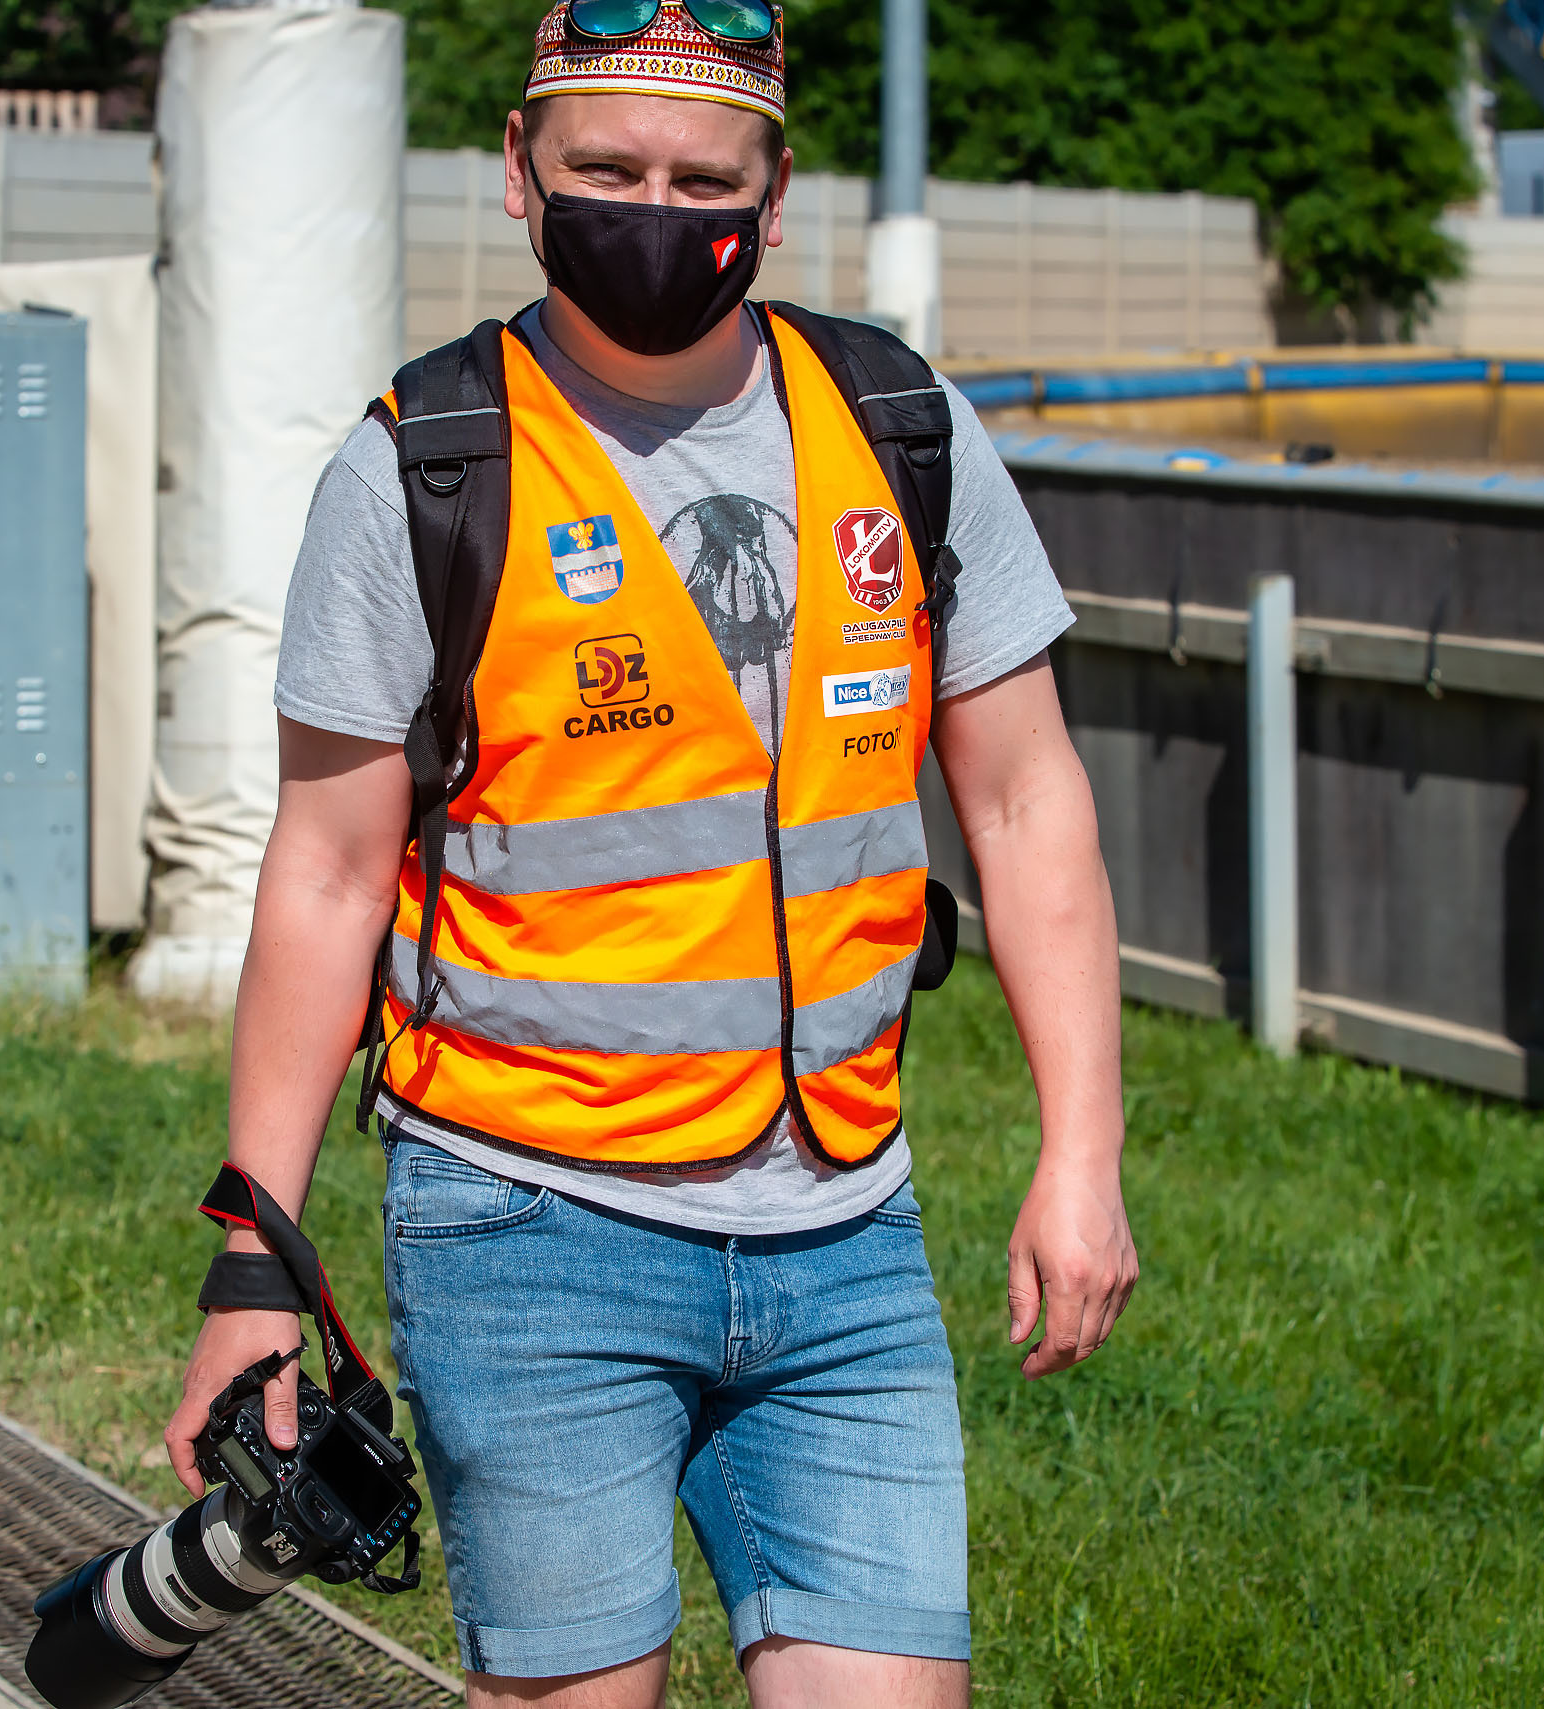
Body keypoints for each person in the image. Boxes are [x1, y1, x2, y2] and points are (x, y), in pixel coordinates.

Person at [165, 2, 1136, 1702]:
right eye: (606, 165)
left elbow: (1025, 798)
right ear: (523, 176)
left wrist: (1083, 1152)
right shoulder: (425, 467)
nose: (655, 207)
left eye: (705, 175)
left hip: (846, 1226)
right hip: (530, 1227)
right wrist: (262, 1253)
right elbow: (323, 876)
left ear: (774, 187)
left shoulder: (903, 427)